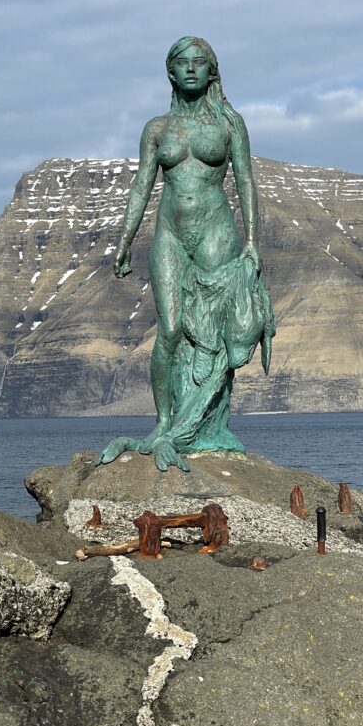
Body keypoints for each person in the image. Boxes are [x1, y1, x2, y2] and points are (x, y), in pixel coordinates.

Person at [96, 36, 274, 471]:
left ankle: (210, 425)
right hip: (171, 235)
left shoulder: (230, 124)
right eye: (182, 63)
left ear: (212, 71)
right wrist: (123, 240)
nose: (191, 68)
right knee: (171, 330)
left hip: (216, 230)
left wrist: (252, 240)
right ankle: (164, 423)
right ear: (170, 72)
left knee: (213, 329)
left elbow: (247, 181)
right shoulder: (157, 129)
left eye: (200, 62)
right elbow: (141, 186)